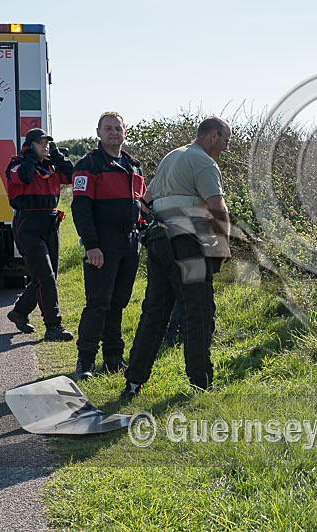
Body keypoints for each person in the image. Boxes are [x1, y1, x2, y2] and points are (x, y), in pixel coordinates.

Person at [121, 116, 231, 400]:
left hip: (159, 243)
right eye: (226, 141)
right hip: (188, 245)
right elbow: (217, 207)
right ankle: (201, 384)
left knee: (155, 313)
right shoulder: (205, 163)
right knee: (198, 312)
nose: (226, 148)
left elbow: (145, 202)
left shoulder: (172, 157)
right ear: (213, 135)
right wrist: (223, 245)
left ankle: (133, 383)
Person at [71, 112, 146, 380]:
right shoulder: (89, 164)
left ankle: (113, 359)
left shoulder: (133, 165)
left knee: (118, 302)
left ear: (125, 132)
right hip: (103, 243)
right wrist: (92, 245)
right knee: (98, 304)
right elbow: (81, 208)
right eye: (108, 128)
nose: (114, 132)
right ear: (98, 132)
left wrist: (144, 234)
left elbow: (140, 204)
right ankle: (86, 362)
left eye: (118, 128)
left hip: (130, 241)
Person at [5, 128, 74, 341]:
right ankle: (54, 326)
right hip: (27, 225)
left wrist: (58, 156)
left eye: (47, 143)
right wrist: (30, 156)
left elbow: (71, 176)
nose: (45, 146)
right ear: (29, 146)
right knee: (45, 277)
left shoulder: (51, 166)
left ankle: (19, 312)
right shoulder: (17, 164)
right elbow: (25, 177)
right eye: (40, 142)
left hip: (50, 224)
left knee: (47, 277)